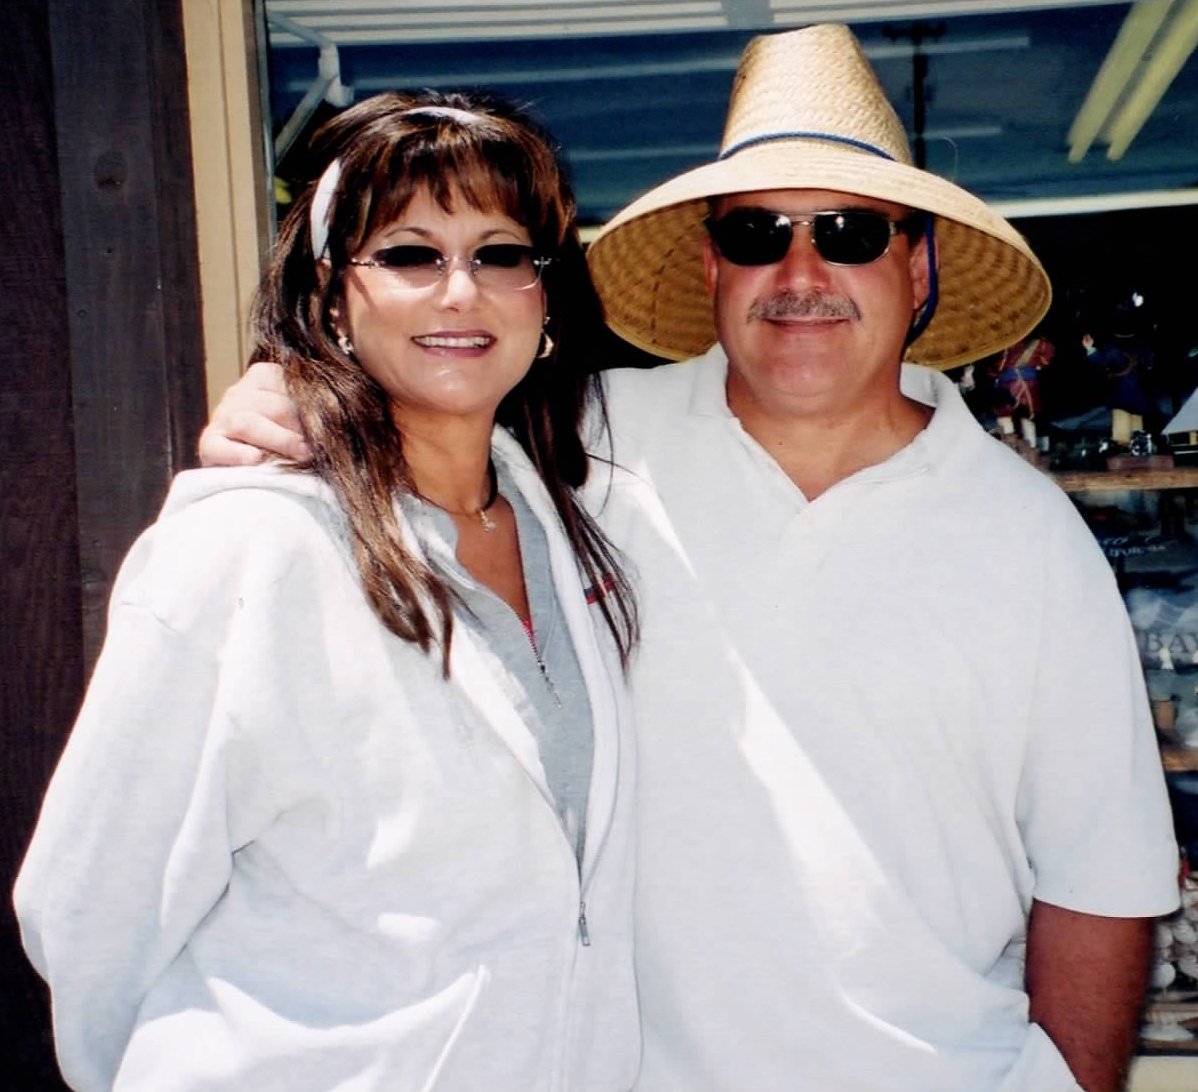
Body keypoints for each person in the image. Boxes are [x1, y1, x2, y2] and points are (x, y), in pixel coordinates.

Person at [199, 25, 1180, 1092]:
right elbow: (400, 417)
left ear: (917, 264)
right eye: (756, 234)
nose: (801, 274)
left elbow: (1100, 881)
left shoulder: (1032, 538)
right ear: (712, 263)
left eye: (850, 232)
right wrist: (292, 408)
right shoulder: (569, 450)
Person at [14, 91, 640, 1092]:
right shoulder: (247, 546)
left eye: (500, 254)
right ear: (331, 298)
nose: (461, 292)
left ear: (546, 296)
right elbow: (89, 907)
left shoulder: (582, 526)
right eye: (408, 254)